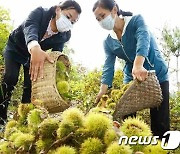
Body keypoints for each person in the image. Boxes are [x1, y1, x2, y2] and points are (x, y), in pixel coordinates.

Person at [93, 0, 169, 138]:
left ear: (114, 10)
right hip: (131, 78)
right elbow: (108, 66)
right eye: (98, 19)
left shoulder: (135, 21)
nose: (101, 21)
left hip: (157, 73)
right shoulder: (108, 42)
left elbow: (143, 39)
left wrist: (138, 64)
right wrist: (102, 90)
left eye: (102, 16)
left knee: (160, 123)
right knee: (128, 120)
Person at [0, 0, 81, 129]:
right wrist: (34, 46)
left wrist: (56, 72)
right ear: (58, 10)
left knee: (30, 88)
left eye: (72, 22)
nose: (69, 23)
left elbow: (56, 52)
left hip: (32, 58)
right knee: (10, 77)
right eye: (68, 17)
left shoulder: (65, 35)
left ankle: (25, 122)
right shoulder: (40, 13)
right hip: (15, 48)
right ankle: (1, 117)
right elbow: (30, 27)